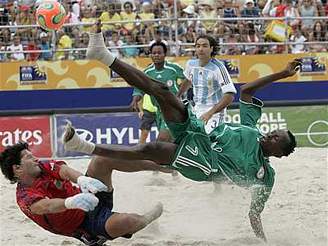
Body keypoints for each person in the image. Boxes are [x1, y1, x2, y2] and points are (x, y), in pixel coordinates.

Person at [67, 21, 300, 242]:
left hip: (205, 163)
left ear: (278, 153)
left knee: (152, 148)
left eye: (275, 138)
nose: (270, 135)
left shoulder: (265, 176)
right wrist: (283, 74)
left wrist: (264, 242)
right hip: (199, 131)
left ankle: (84, 146)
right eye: (274, 132)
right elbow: (247, 91)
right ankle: (102, 54)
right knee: (162, 91)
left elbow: (254, 214)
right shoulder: (252, 129)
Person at [0, 142, 164, 245]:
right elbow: (45, 206)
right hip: (85, 225)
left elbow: (64, 171)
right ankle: (147, 219)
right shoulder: (24, 196)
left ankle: (162, 165)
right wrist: (70, 202)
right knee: (129, 221)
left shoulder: (41, 167)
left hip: (89, 195)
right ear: (17, 168)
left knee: (101, 159)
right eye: (29, 157)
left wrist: (81, 180)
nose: (35, 158)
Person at [130, 41, 191, 142]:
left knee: (162, 139)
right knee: (172, 141)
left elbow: (188, 80)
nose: (156, 55)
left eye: (159, 53)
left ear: (164, 54)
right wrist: (135, 100)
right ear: (150, 55)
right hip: (159, 110)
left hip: (173, 109)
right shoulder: (147, 72)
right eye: (154, 53)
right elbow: (139, 89)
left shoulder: (173, 68)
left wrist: (179, 95)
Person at [179, 35, 237, 134]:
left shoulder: (219, 68)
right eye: (198, 46)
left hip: (215, 114)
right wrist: (178, 95)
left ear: (211, 49)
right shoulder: (191, 64)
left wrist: (210, 113)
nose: (201, 49)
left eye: (205, 46)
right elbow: (188, 80)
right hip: (195, 111)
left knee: (205, 140)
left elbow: (230, 95)